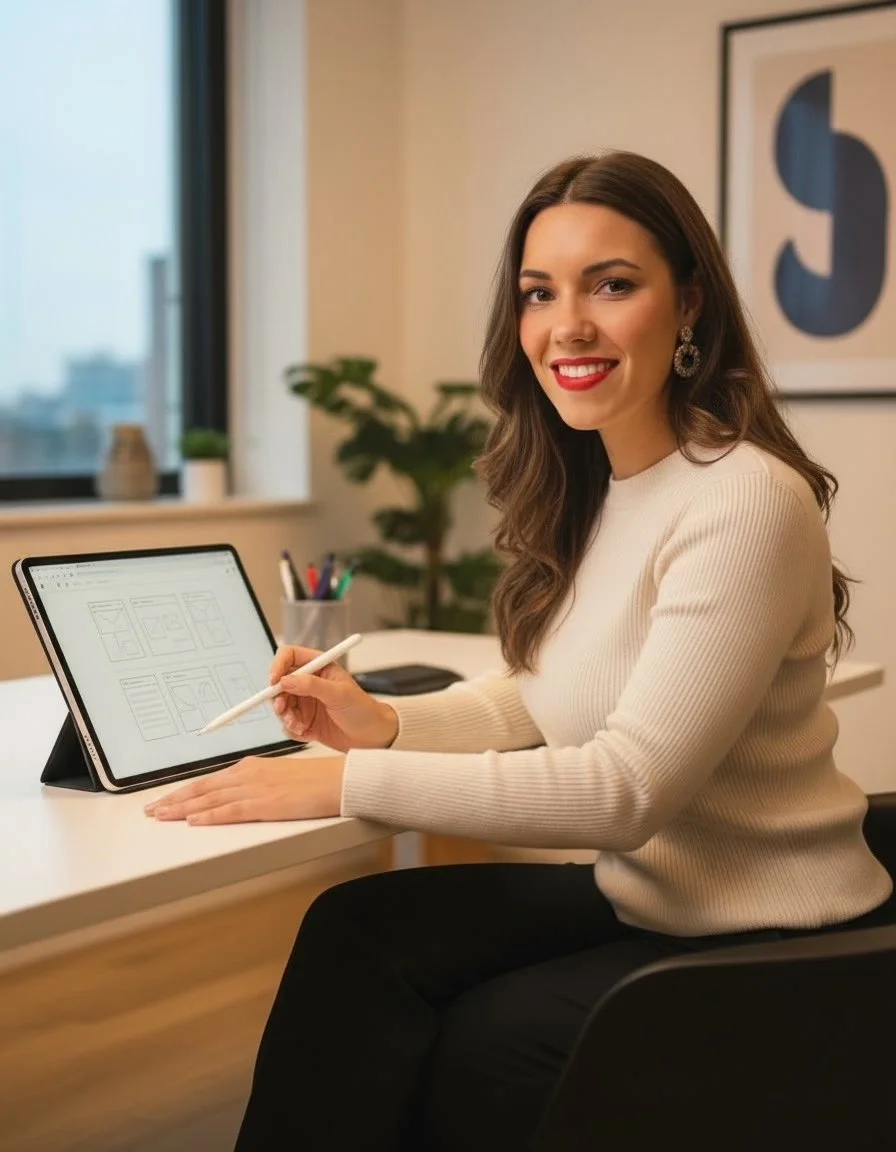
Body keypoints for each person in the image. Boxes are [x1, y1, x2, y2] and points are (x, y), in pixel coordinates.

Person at [146, 150, 894, 1151]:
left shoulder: (744, 499)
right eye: (539, 293)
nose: (565, 326)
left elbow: (625, 790)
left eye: (611, 285)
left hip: (773, 937)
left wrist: (344, 784)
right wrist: (384, 723)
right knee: (356, 934)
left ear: (688, 306)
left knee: (484, 1042)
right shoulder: (602, 488)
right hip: (655, 896)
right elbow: (537, 696)